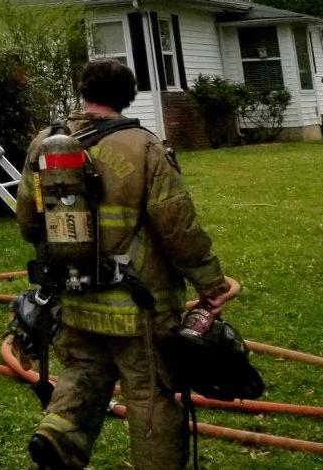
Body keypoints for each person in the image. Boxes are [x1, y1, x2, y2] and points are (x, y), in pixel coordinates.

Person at [18, 59, 231, 470]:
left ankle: (57, 439)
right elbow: (178, 226)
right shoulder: (144, 146)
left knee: (82, 370)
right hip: (137, 306)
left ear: (84, 92)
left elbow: (29, 222)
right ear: (128, 96)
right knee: (150, 391)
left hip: (74, 298)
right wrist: (210, 283)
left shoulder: (46, 142)